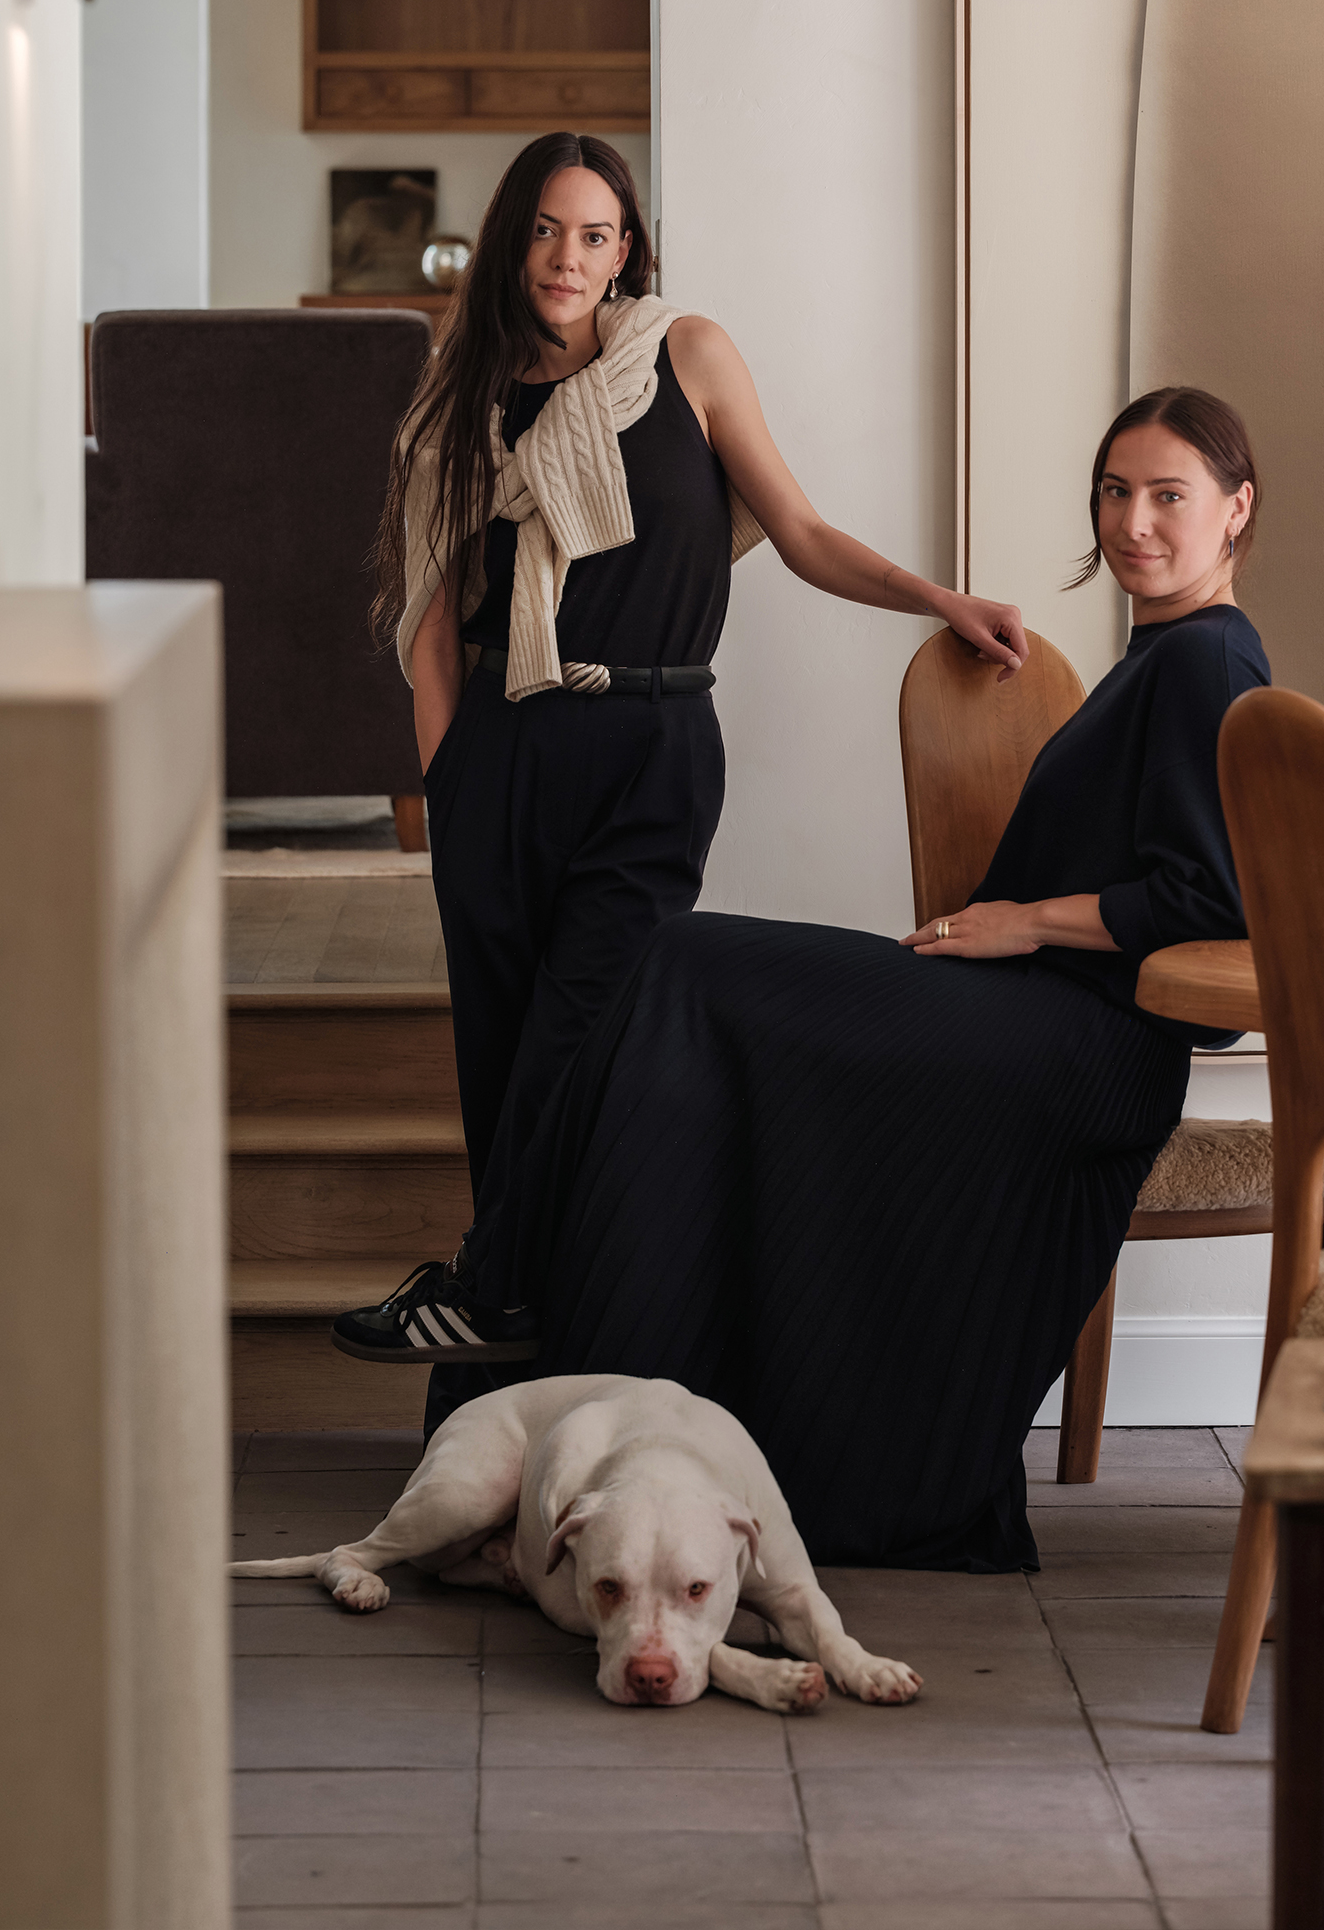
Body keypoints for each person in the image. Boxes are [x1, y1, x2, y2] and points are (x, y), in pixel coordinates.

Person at [344, 384, 1271, 1572]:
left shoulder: (1205, 660)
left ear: (1234, 512)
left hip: (1069, 1045)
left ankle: (515, 1302)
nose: (1132, 521)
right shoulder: (1163, 656)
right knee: (686, 1012)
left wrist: (1023, 922)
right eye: (1112, 490)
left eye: (1167, 498)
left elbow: (1217, 899)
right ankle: (562, 1366)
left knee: (676, 964)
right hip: (1022, 1018)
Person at [334, 131, 1025, 1375]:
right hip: (500, 751)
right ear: (512, 240)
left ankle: (490, 1288)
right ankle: (519, 1316)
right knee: (500, 1045)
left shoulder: (683, 358)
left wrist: (940, 600)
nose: (568, 257)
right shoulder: (458, 396)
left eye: (595, 235)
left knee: (578, 1031)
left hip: (650, 744)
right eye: (547, 229)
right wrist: (448, 785)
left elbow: (800, 530)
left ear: (627, 251)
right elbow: (432, 626)